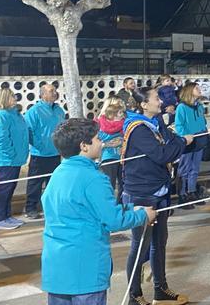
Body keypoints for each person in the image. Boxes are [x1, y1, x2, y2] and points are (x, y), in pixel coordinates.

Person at [41, 118, 155, 305]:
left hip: (56, 266)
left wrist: (129, 209)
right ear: (84, 146)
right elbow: (113, 220)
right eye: (96, 139)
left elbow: (85, 209)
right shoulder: (94, 178)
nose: (101, 143)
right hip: (85, 266)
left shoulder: (58, 173)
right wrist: (143, 215)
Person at [121, 87, 202, 305]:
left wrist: (179, 142)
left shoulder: (157, 120)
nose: (161, 101)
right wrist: (183, 142)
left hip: (160, 188)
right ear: (144, 105)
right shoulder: (137, 128)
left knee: (159, 242)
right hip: (141, 193)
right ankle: (134, 296)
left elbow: (170, 142)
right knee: (139, 247)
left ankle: (160, 289)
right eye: (157, 98)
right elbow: (163, 153)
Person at [175, 82, 210, 208]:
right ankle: (182, 194)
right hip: (188, 141)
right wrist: (185, 137)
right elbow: (179, 125)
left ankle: (192, 192)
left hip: (200, 139)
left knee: (195, 169)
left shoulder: (199, 106)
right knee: (184, 169)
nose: (199, 90)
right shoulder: (182, 107)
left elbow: (202, 121)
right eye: (196, 88)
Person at [23, 83, 66, 220]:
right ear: (42, 94)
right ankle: (30, 208)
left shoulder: (59, 110)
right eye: (51, 91)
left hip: (55, 153)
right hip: (39, 154)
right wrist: (39, 146)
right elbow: (28, 131)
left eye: (55, 90)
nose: (54, 92)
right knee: (35, 183)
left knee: (53, 183)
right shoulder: (34, 111)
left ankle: (51, 207)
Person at [0, 88, 29, 230]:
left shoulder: (15, 114)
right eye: (11, 96)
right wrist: (11, 154)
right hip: (6, 160)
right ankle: (0, 219)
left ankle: (7, 216)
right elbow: (0, 138)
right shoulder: (0, 115)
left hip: (15, 158)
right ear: (4, 98)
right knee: (4, 189)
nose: (15, 98)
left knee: (10, 187)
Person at [98, 96, 126, 194]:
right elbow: (96, 141)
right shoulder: (99, 124)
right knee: (110, 184)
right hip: (108, 157)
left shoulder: (124, 123)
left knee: (124, 184)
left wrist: (122, 140)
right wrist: (106, 144)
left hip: (122, 156)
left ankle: (121, 205)